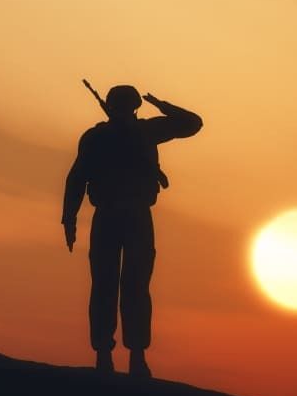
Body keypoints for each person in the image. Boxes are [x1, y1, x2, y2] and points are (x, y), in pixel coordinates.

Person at [62, 85, 202, 378]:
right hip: (121, 216)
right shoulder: (116, 135)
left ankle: (127, 355)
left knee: (128, 285)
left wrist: (161, 104)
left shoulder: (133, 133)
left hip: (129, 216)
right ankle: (112, 355)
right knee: (112, 285)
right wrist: (69, 218)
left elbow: (192, 124)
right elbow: (77, 177)